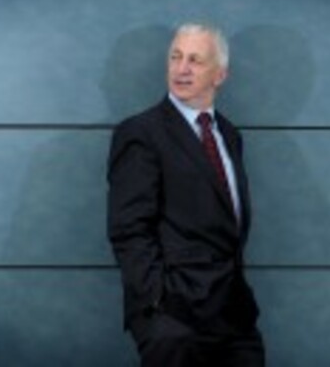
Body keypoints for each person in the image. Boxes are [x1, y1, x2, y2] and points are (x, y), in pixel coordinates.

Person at [107, 23, 265, 366]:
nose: (181, 69)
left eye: (195, 60)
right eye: (175, 57)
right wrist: (158, 303)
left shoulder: (229, 135)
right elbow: (128, 229)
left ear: (219, 75)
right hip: (174, 320)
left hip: (233, 314)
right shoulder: (140, 133)